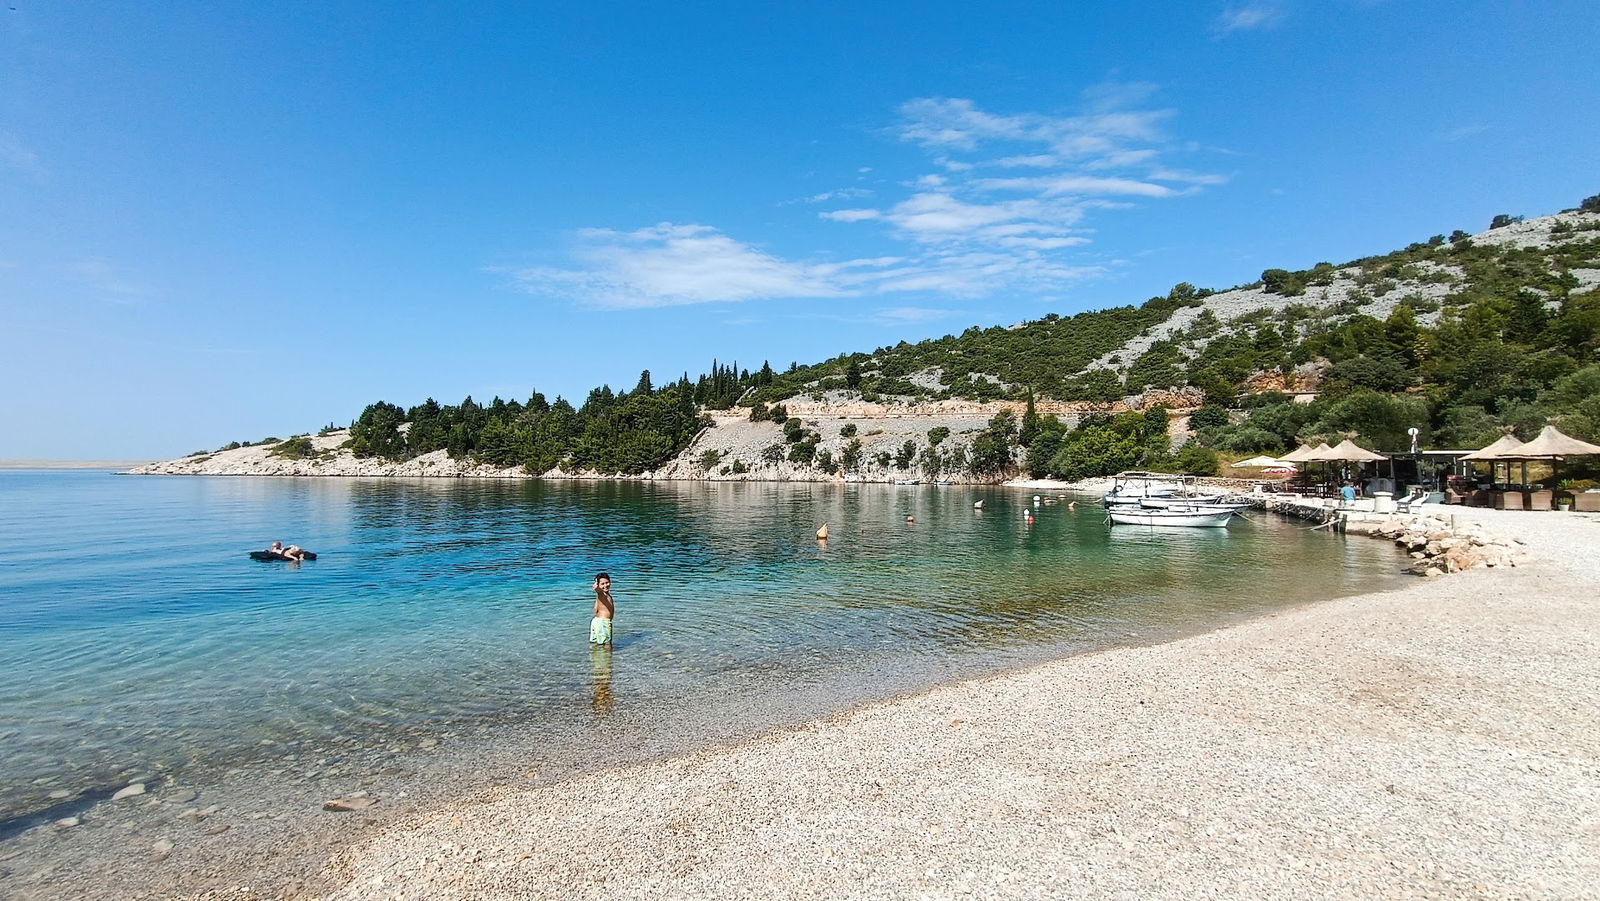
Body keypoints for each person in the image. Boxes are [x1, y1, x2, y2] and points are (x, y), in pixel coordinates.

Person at [590, 572, 614, 647]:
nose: (605, 585)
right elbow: (598, 590)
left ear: (610, 582)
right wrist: (596, 588)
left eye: (607, 583)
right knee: (607, 645)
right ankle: (607, 658)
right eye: (602, 584)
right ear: (598, 585)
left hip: (596, 621)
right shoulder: (602, 594)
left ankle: (595, 658)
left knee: (596, 645)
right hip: (603, 623)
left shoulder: (601, 596)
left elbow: (595, 609)